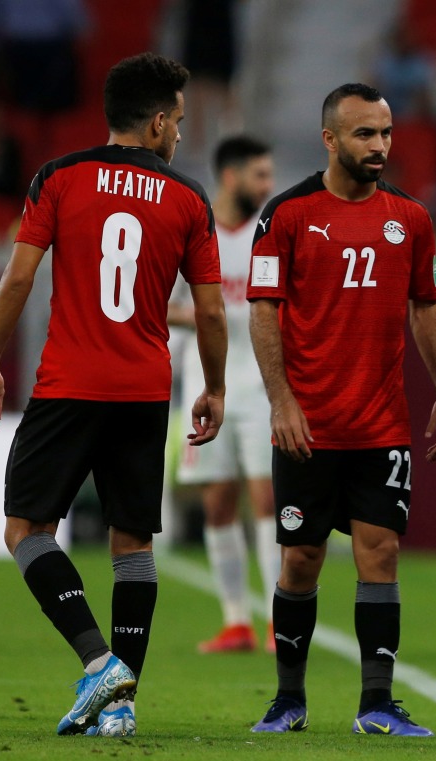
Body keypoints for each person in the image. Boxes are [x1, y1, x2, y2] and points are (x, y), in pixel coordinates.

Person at [0, 53, 227, 738]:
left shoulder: (59, 177)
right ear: (161, 121)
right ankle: (121, 707)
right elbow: (210, 312)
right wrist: (216, 386)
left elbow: (18, 280)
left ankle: (99, 661)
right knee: (132, 541)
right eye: (179, 118)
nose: (180, 132)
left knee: (26, 529)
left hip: (68, 383)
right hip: (143, 387)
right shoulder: (189, 197)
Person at [246, 83, 436, 736]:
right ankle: (288, 698)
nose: (380, 146)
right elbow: (263, 309)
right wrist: (281, 399)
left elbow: (425, 305)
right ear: (330, 139)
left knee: (381, 551)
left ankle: (376, 702)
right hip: (307, 422)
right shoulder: (287, 215)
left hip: (381, 424)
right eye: (365, 134)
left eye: (386, 133)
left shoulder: (411, 219)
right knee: (301, 558)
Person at [168, 135, 279, 654]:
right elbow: (158, 302)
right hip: (203, 385)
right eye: (260, 175)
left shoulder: (270, 233)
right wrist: (205, 317)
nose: (268, 185)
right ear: (232, 177)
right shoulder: (194, 230)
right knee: (217, 504)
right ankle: (236, 621)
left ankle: (281, 622)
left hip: (260, 386)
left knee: (268, 498)